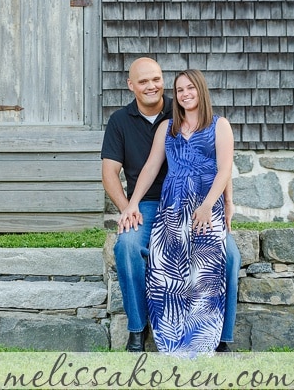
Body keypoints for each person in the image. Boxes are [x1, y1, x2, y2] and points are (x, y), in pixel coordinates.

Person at [101, 57, 240, 353]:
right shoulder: (126, 121)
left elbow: (223, 165)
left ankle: (222, 337)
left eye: (156, 80)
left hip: (203, 203)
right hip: (158, 205)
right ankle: (138, 330)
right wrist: (129, 206)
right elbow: (119, 171)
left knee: (230, 256)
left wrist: (227, 202)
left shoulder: (187, 112)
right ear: (131, 86)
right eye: (143, 81)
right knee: (127, 247)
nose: (152, 86)